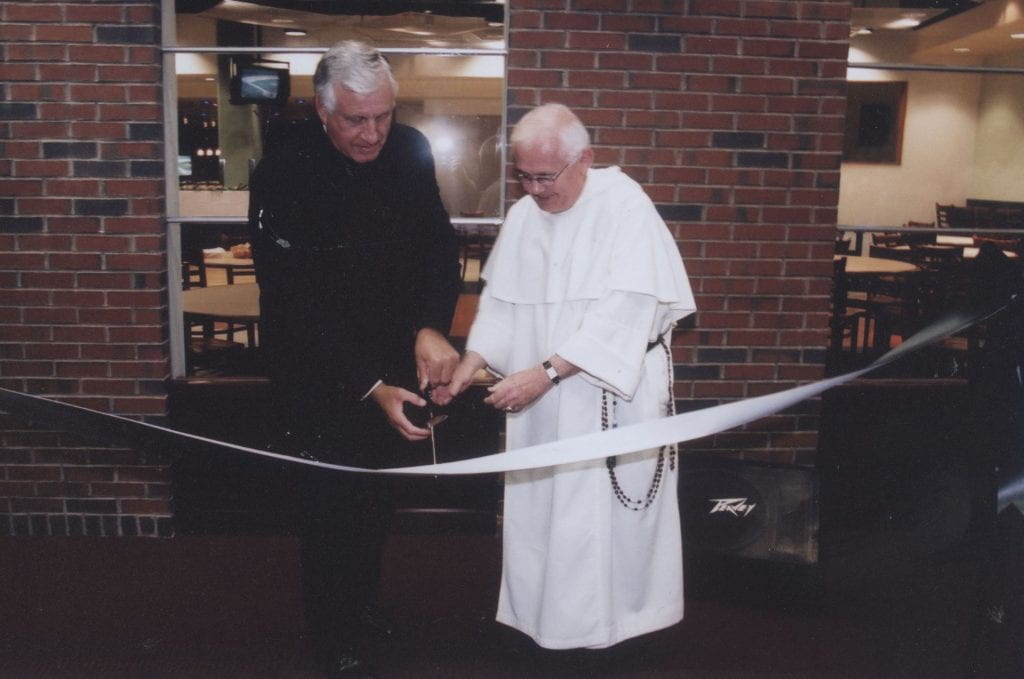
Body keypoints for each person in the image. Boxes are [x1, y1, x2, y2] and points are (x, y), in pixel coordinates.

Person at [436, 103, 697, 651]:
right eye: (524, 176)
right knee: (545, 515)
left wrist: (548, 372)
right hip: (542, 399)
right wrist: (469, 364)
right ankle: (545, 625)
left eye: (545, 177)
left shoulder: (625, 206)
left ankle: (619, 635)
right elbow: (502, 305)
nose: (534, 189)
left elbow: (627, 309)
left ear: (585, 160)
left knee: (603, 527)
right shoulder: (525, 215)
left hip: (607, 395)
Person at [247, 40, 462, 677]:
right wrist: (367, 384)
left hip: (391, 356)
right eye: (355, 120)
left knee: (375, 496)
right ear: (322, 110)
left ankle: (363, 604)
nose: (373, 134)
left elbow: (437, 248)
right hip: (316, 365)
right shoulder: (283, 169)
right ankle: (331, 630)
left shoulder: (411, 149)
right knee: (328, 505)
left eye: (383, 116)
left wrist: (430, 325)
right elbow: (294, 300)